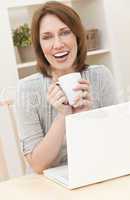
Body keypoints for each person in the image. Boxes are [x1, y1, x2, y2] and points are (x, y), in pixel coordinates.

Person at [16, 1, 118, 174]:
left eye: (64, 33)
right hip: (46, 187)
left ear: (77, 36)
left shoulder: (100, 76)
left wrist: (86, 117)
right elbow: (38, 165)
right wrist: (63, 116)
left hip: (93, 173)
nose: (57, 44)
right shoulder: (27, 89)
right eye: (47, 37)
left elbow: (115, 145)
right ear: (39, 45)